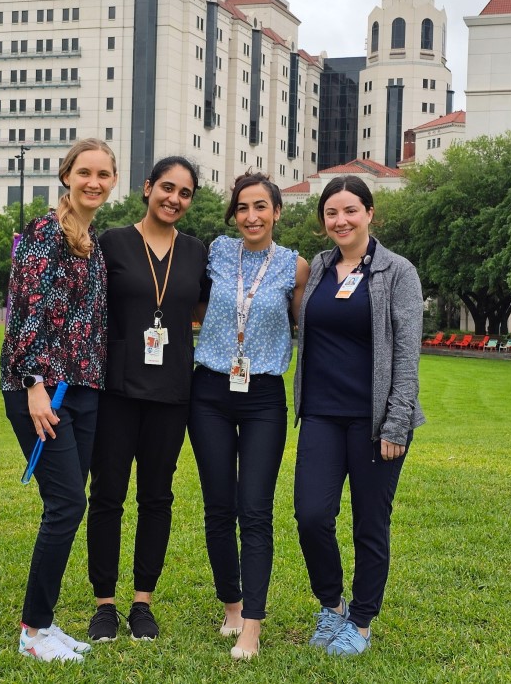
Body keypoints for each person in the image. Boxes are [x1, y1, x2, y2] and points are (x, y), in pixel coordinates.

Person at [293, 175, 425, 657]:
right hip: (321, 415)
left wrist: (396, 422)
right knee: (310, 515)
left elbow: (409, 354)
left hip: (375, 422)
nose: (341, 220)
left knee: (370, 523)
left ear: (370, 213)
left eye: (351, 210)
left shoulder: (397, 272)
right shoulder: (322, 267)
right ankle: (332, 605)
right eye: (331, 212)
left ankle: (363, 623)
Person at [0, 138, 118, 663]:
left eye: (104, 174)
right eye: (85, 172)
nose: (94, 182)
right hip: (43, 392)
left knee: (71, 502)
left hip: (84, 388)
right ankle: (32, 632)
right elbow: (23, 312)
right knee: (66, 503)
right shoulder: (43, 234)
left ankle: (44, 623)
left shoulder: (94, 242)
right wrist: (33, 384)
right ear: (67, 176)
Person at [86, 156, 210, 642]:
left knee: (157, 497)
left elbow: (201, 305)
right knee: (108, 496)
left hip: (172, 392)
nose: (174, 199)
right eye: (167, 187)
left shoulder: (197, 252)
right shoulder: (111, 242)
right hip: (116, 390)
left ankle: (142, 603)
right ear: (146, 188)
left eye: (184, 193)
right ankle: (104, 603)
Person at [188, 171, 309, 660]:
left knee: (254, 509)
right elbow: (190, 303)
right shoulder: (216, 252)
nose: (252, 216)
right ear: (233, 214)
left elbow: (306, 328)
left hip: (262, 397)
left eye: (261, 206)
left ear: (277, 212)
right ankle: (232, 605)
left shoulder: (294, 267)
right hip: (210, 392)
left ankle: (252, 627)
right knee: (219, 507)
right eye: (242, 207)